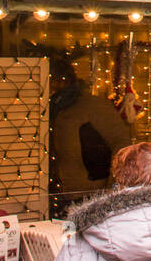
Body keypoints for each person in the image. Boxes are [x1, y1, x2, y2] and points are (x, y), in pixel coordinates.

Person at [49, 56, 132, 212]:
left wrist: (113, 188)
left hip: (90, 195)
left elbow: (122, 143)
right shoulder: (50, 109)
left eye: (59, 79)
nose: (55, 84)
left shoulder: (92, 107)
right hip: (58, 195)